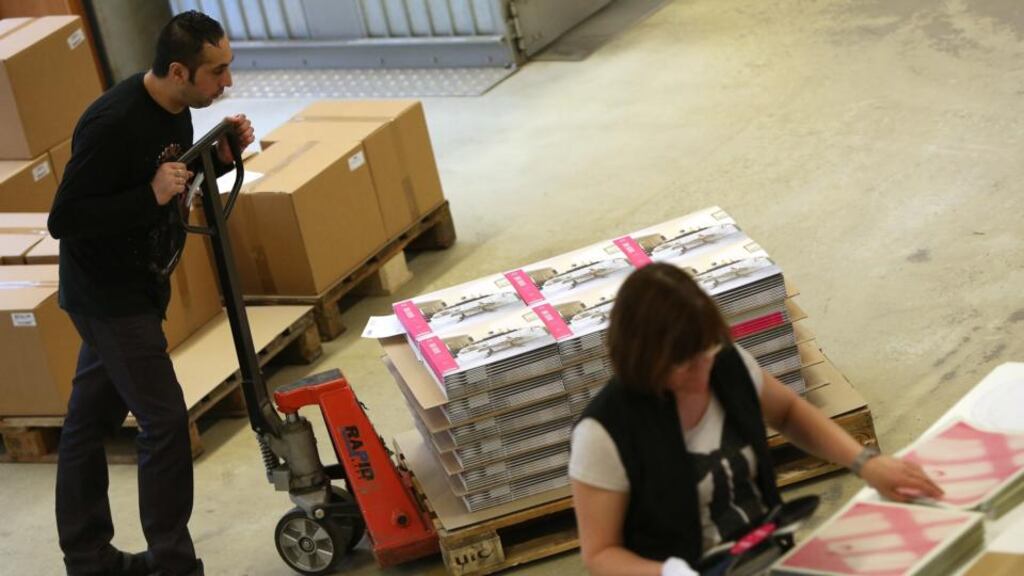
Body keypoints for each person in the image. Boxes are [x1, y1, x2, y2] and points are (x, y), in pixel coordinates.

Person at [47, 10, 254, 576]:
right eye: (217, 72)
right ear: (179, 71)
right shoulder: (112, 122)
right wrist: (149, 195)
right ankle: (173, 563)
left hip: (140, 285)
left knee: (88, 424)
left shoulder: (179, 110)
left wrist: (218, 159)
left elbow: (173, 182)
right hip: (108, 296)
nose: (227, 81)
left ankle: (87, 558)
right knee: (163, 422)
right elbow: (65, 219)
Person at [569, 263, 943, 576]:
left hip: (765, 554)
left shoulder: (727, 364)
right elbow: (600, 553)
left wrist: (865, 463)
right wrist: (670, 574)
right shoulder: (604, 432)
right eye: (684, 364)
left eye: (706, 351)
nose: (702, 370)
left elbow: (789, 412)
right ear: (644, 357)